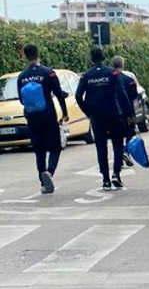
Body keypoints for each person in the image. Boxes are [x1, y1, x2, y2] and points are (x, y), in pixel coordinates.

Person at [75, 45, 134, 190]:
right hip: (114, 114)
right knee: (117, 145)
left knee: (101, 148)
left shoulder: (86, 76)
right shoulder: (113, 73)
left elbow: (78, 96)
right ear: (103, 57)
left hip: (96, 116)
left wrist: (87, 111)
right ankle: (116, 174)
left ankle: (105, 180)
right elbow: (122, 95)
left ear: (91, 59)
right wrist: (129, 115)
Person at [17, 43, 68, 195]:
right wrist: (64, 113)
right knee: (55, 147)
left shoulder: (22, 77)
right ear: (38, 54)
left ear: (25, 56)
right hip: (48, 115)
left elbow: (22, 100)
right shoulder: (48, 73)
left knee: (39, 150)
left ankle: (43, 183)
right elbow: (58, 93)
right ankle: (49, 172)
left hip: (32, 117)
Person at [111, 56, 138, 167]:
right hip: (127, 112)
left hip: (113, 112)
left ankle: (119, 159)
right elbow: (134, 95)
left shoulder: (109, 80)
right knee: (130, 133)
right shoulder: (128, 79)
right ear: (123, 65)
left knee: (116, 137)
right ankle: (126, 151)